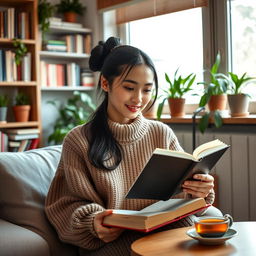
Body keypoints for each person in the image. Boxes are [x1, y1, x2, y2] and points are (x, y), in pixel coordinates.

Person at [45, 37, 219, 256]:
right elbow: (64, 205)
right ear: (105, 84)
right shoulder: (79, 140)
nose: (138, 99)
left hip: (169, 234)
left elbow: (179, 196)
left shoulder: (161, 133)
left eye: (147, 90)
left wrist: (199, 191)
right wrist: (93, 222)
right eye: (129, 87)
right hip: (114, 245)